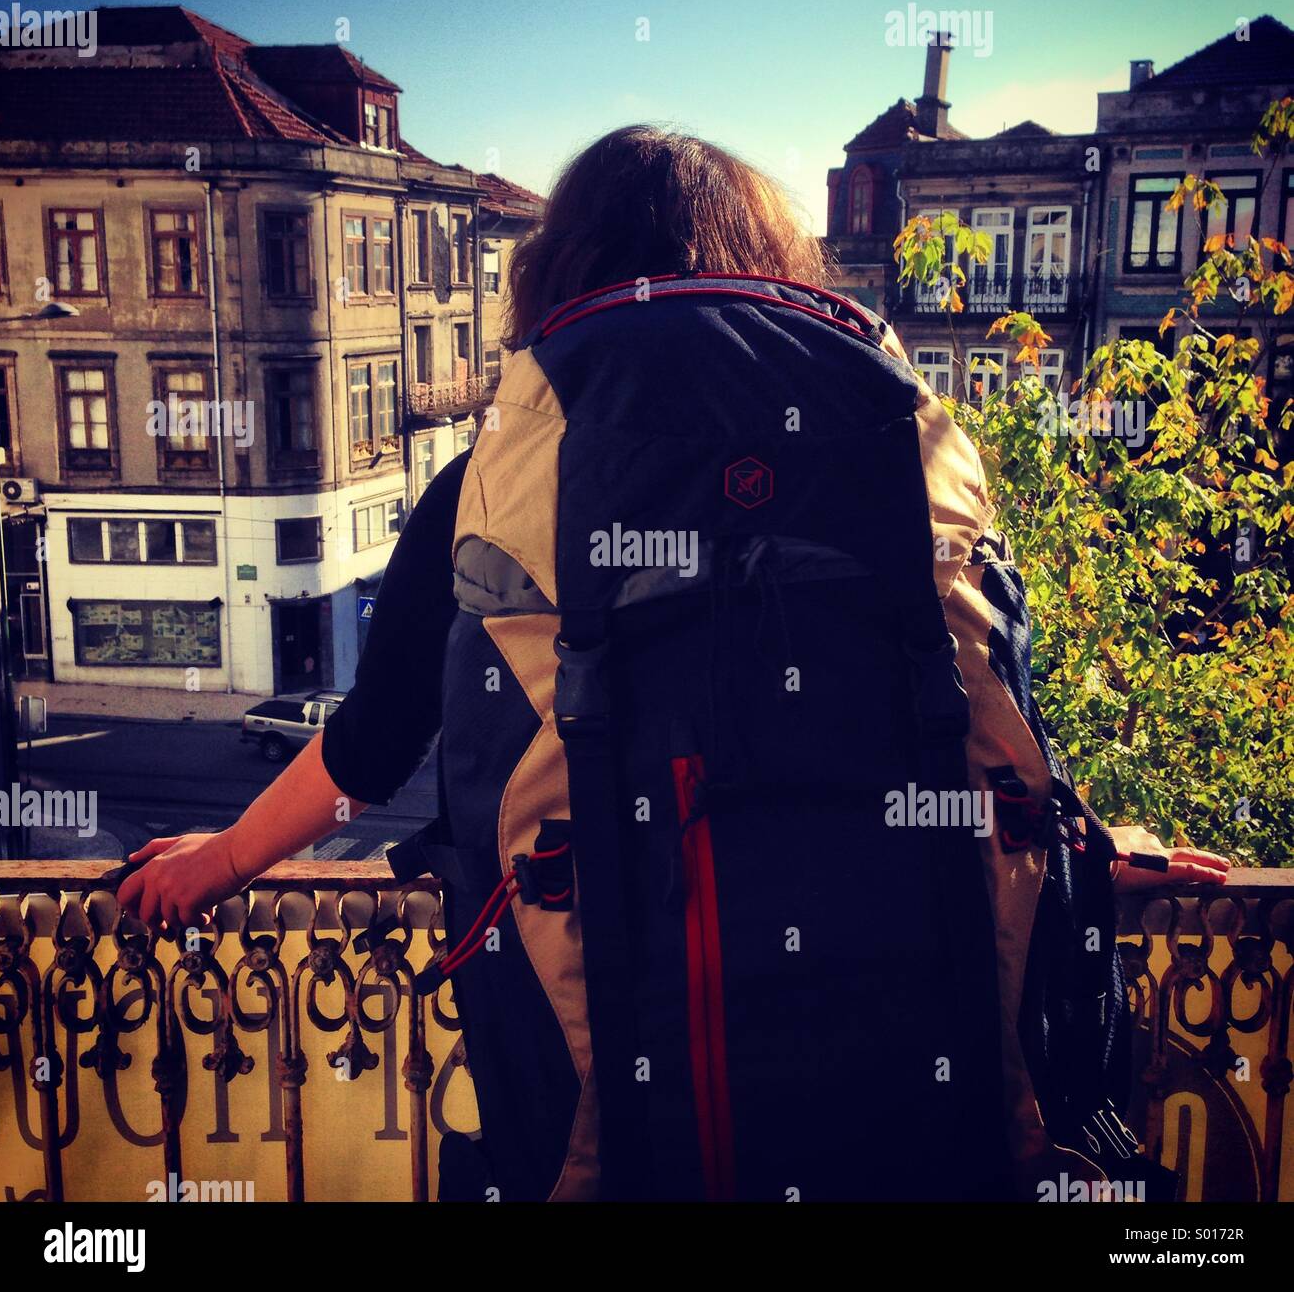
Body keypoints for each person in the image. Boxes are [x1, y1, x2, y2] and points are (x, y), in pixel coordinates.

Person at [119, 125, 1229, 1199]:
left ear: (563, 280)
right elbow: (989, 715)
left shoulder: (496, 493)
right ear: (773, 271)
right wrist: (1067, 854)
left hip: (628, 1106)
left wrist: (219, 863)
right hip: (922, 1104)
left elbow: (370, 747)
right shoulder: (893, 463)